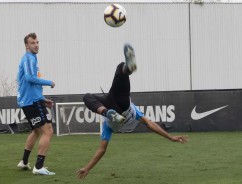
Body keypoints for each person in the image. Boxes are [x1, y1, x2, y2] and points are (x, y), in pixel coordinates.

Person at [76, 43, 189, 179]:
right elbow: (149, 123)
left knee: (87, 97)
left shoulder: (107, 127)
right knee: (120, 69)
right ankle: (127, 68)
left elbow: (102, 150)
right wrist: (170, 137)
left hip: (109, 110)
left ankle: (109, 108)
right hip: (122, 105)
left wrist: (87, 168)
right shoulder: (135, 112)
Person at [16, 33, 55, 175]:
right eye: (33, 43)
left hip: (32, 100)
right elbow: (29, 78)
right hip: (31, 102)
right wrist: (49, 82)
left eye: (37, 42)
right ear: (26, 45)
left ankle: (24, 162)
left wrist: (43, 99)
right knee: (48, 131)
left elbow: (27, 84)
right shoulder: (28, 58)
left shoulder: (31, 59)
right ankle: (39, 167)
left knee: (37, 131)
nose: (36, 45)